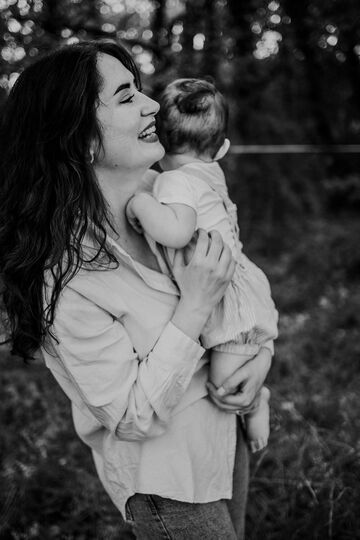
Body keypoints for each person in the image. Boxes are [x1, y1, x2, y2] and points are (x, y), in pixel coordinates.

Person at [0, 41, 273, 539]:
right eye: (126, 96)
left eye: (140, 90)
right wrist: (193, 306)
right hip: (167, 481)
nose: (151, 104)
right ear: (78, 136)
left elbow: (241, 288)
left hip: (224, 431)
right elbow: (129, 417)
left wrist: (259, 364)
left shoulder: (171, 190)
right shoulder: (64, 273)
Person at [126, 78, 278, 453]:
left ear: (160, 140)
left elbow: (177, 232)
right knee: (237, 363)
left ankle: (259, 401)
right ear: (222, 147)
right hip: (239, 279)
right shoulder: (210, 172)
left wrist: (140, 206)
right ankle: (258, 381)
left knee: (224, 384)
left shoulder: (175, 181)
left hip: (227, 296)